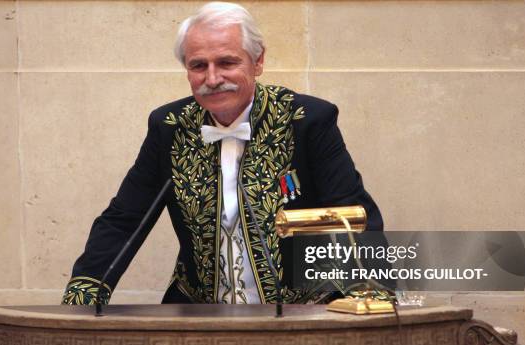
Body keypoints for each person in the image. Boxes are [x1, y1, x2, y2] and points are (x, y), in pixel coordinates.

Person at [62, 1, 382, 306]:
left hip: (304, 312)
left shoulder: (308, 120)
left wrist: (369, 298)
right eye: (199, 66)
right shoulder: (169, 127)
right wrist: (84, 296)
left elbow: (352, 216)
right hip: (199, 314)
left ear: (257, 61)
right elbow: (124, 220)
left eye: (227, 63)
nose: (212, 79)